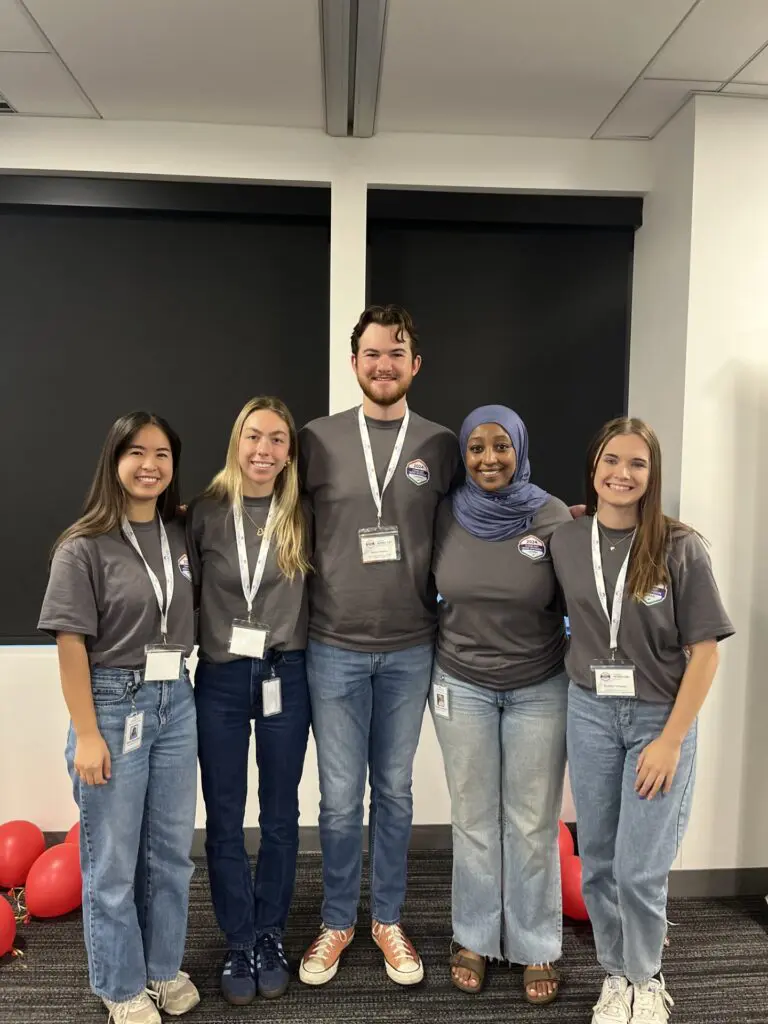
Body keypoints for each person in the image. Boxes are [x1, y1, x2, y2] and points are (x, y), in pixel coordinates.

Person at [550, 417, 734, 1024]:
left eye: (637, 464)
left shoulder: (679, 546)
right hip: (591, 712)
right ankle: (615, 975)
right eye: (611, 461)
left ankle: (647, 978)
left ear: (653, 477)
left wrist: (671, 740)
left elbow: (705, 652)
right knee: (599, 860)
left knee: (638, 868)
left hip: (659, 716)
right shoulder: (568, 540)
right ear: (593, 468)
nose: (621, 474)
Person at [297, 304, 460, 986]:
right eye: (371, 353)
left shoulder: (444, 443)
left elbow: (479, 518)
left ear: (415, 365)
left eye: (397, 353)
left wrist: (554, 518)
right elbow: (273, 516)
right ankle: (338, 919)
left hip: (410, 645)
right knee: (338, 798)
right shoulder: (315, 439)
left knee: (393, 791)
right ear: (354, 362)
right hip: (331, 643)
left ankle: (387, 918)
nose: (384, 364)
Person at [38, 412, 199, 1024]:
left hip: (175, 699)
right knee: (111, 861)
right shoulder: (82, 546)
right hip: (112, 702)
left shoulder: (179, 535)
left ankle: (161, 968)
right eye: (137, 452)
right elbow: (70, 643)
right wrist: (85, 732)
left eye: (163, 454)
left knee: (170, 853)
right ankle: (119, 983)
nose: (150, 465)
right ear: (114, 460)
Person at [430, 405, 572, 1003]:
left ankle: (536, 944)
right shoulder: (445, 514)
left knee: (532, 820)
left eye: (501, 447)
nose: (489, 459)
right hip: (460, 682)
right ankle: (475, 936)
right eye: (476, 449)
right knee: (474, 818)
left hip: (539, 684)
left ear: (520, 447)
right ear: (463, 456)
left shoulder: (552, 514)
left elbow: (585, 593)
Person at [186, 396, 312, 1005]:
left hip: (285, 673)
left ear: (290, 452)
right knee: (226, 814)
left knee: (282, 814)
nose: (264, 450)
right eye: (254, 437)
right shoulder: (205, 513)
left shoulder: (304, 513)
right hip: (222, 678)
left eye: (277, 440)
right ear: (237, 442)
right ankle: (237, 937)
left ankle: (270, 934)